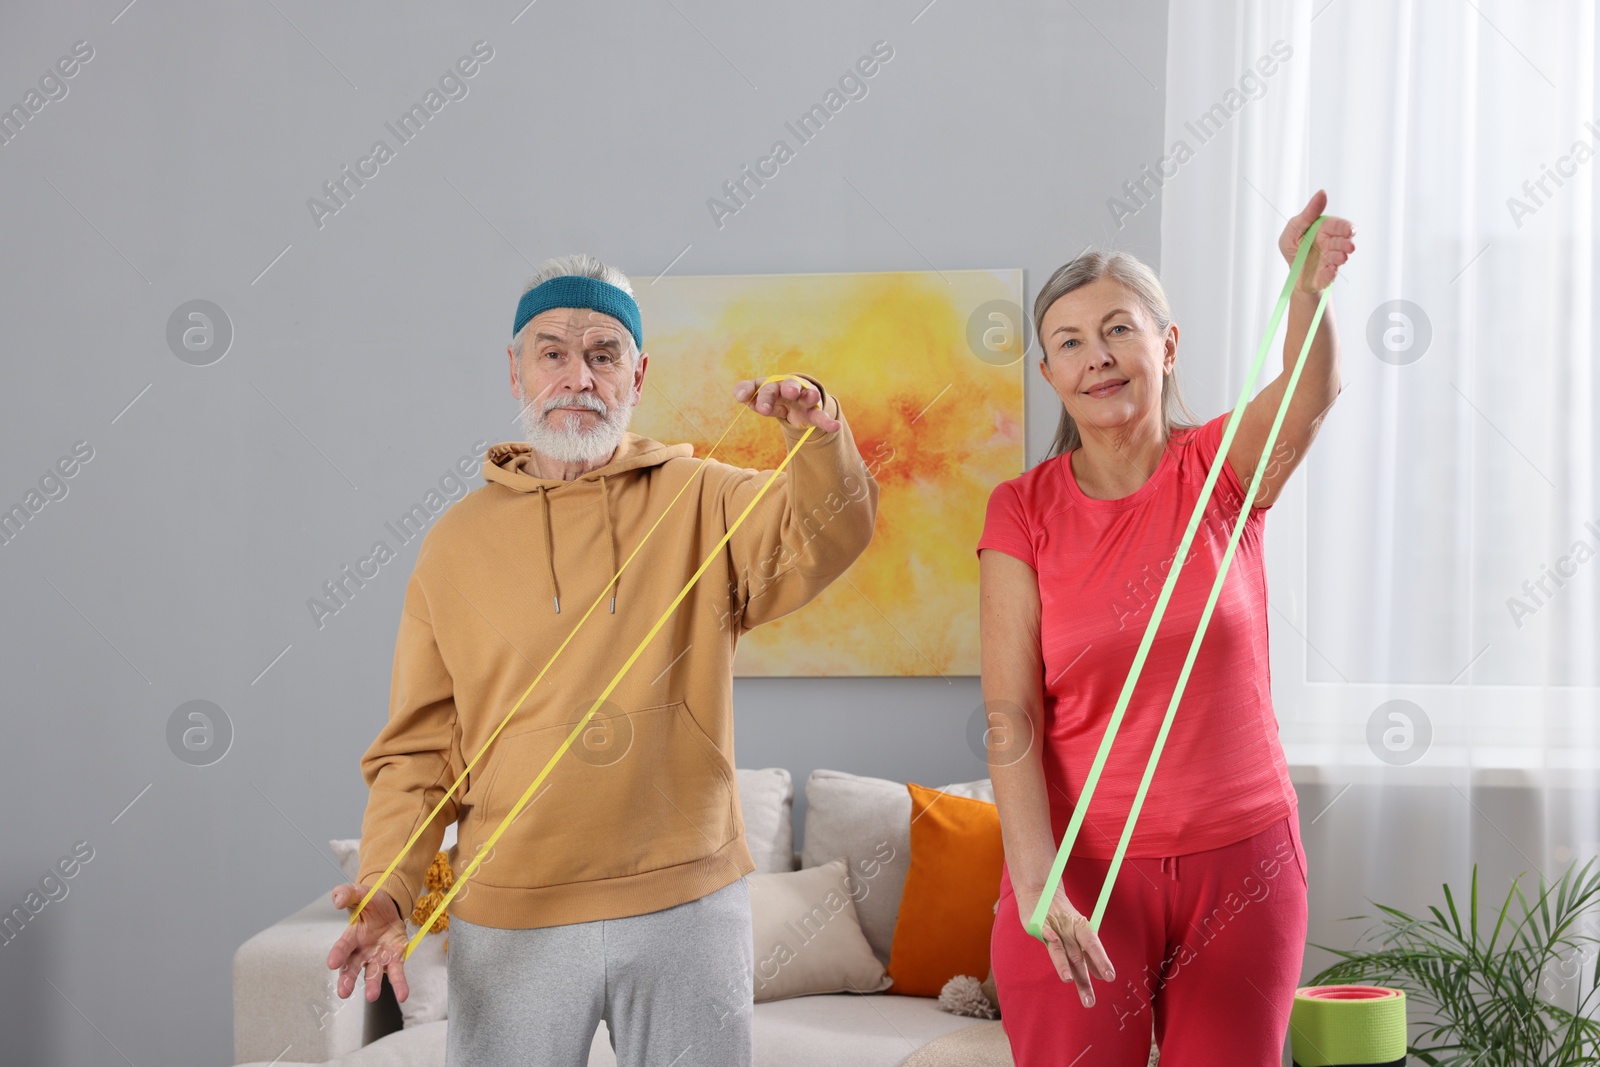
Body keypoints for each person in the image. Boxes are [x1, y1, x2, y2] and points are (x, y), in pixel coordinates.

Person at [324, 253, 879, 1067]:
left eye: (603, 353)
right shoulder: (453, 545)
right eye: (553, 352)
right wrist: (388, 887)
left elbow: (826, 533)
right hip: (511, 911)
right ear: (514, 369)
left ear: (638, 374)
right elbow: (419, 749)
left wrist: (820, 435)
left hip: (688, 900)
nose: (577, 375)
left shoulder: (703, 494)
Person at [978, 192, 1355, 1064]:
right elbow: (1011, 714)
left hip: (1244, 863)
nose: (1097, 357)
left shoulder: (1222, 469)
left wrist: (1306, 290)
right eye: (1069, 342)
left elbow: (1313, 390)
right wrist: (1038, 883)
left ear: (1167, 345)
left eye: (1118, 330)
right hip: (1080, 872)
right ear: (1049, 375)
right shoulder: (1022, 512)